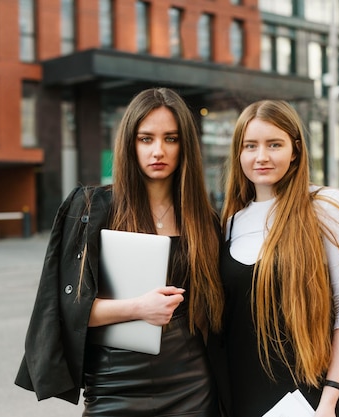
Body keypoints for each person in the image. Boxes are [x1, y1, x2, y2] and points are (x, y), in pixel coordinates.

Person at [15, 88, 224, 416]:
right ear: (130, 143)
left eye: (171, 138)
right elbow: (67, 311)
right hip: (114, 382)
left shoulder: (203, 219)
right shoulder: (91, 208)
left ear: (186, 145)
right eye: (146, 139)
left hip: (191, 382)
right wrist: (139, 307)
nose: (158, 150)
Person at [216, 100, 339, 417]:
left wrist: (329, 399)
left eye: (274, 145)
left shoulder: (325, 205)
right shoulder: (230, 222)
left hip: (310, 396)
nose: (262, 157)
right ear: (238, 153)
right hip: (244, 395)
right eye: (250, 146)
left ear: (295, 150)